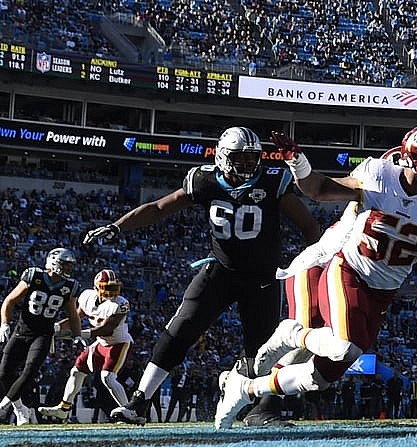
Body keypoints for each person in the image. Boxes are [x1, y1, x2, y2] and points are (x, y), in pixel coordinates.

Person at [215, 125, 417, 428]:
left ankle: (244, 387)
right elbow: (318, 189)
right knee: (318, 339)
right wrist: (297, 160)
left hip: (380, 289)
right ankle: (264, 394)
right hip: (329, 264)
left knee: (319, 377)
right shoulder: (376, 181)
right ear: (412, 158)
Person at [81, 126, 322, 423]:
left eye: (252, 158)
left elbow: (309, 226)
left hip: (261, 278)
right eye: (240, 158)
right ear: (222, 156)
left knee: (262, 350)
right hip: (220, 271)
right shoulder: (204, 180)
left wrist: (314, 265)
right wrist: (118, 225)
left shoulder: (273, 182)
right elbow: (159, 207)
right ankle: (138, 403)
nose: (247, 165)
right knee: (178, 331)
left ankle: (264, 409)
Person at [43, 268, 147, 423]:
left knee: (108, 377)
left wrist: (78, 333)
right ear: (96, 287)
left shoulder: (120, 304)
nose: (111, 292)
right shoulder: (87, 297)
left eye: (114, 287)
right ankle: (64, 408)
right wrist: (57, 327)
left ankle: (130, 412)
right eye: (107, 288)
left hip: (118, 343)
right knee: (77, 371)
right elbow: (76, 318)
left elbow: (107, 329)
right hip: (101, 344)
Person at [0, 249, 83, 424]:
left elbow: (73, 315)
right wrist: (5, 323)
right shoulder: (33, 275)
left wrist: (77, 335)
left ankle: (4, 404)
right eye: (65, 264)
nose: (69, 268)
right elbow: (10, 300)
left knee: (30, 370)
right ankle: (20, 408)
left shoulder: (70, 287)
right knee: (4, 372)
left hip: (44, 334)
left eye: (70, 265)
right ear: (54, 263)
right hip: (22, 331)